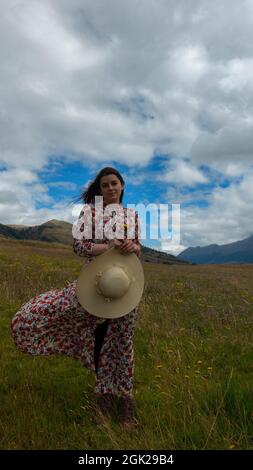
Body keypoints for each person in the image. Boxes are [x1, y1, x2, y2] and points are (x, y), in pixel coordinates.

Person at [11, 167, 142, 430]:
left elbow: (136, 248)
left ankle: (123, 407)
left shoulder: (132, 215)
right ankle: (103, 402)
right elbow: (79, 247)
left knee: (122, 343)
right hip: (94, 284)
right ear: (100, 189)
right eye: (105, 185)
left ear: (123, 185)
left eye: (114, 183)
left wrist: (133, 246)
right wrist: (110, 246)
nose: (111, 189)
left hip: (125, 286)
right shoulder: (90, 213)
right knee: (100, 340)